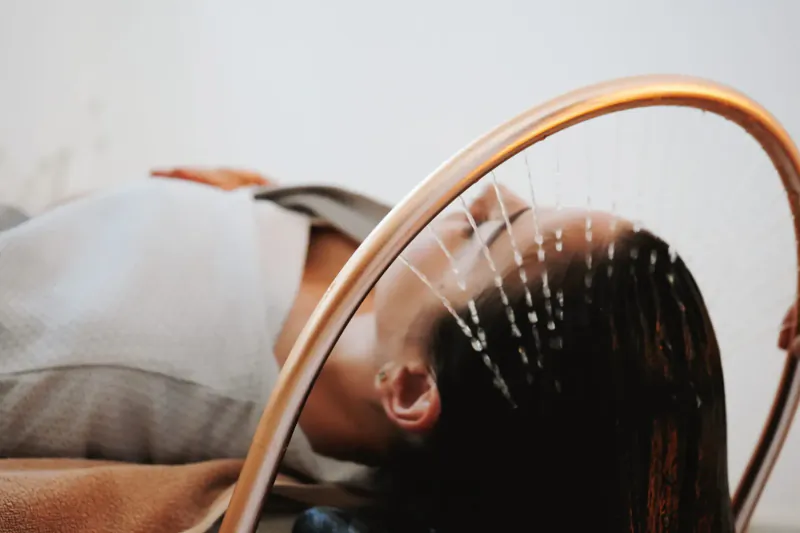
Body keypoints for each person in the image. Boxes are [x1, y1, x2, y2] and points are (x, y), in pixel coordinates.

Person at [0, 167, 735, 532]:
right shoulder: (401, 283)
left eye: (495, 233)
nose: (488, 194)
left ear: (412, 390)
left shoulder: (120, 363)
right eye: (522, 209)